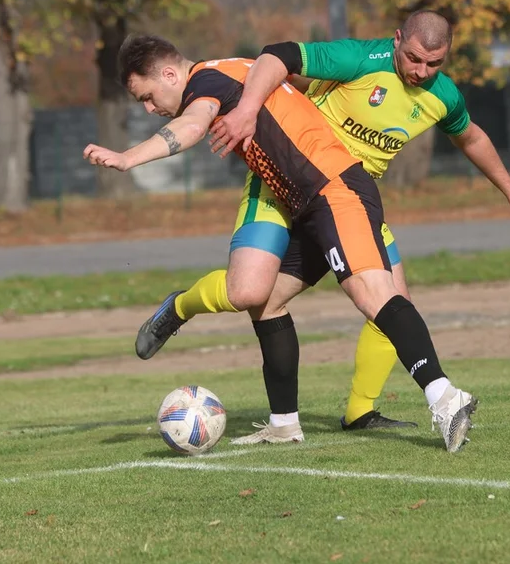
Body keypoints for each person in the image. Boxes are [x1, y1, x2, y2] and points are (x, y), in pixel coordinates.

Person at [137, 11, 510, 436]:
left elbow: (472, 137)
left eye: (434, 64)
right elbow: (276, 56)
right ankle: (179, 308)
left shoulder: (443, 96)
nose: (421, 72)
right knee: (249, 291)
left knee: (390, 298)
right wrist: (249, 111)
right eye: (413, 58)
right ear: (397, 39)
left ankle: (356, 413)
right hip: (281, 183)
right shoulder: (360, 58)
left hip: (349, 196)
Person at [84, 34, 478, 452]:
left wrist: (128, 158)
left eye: (147, 97)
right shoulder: (228, 70)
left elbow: (193, 125)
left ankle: (445, 398)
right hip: (307, 204)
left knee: (375, 295)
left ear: (168, 74)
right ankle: (284, 424)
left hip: (335, 191)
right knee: (262, 298)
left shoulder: (208, 79)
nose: (149, 108)